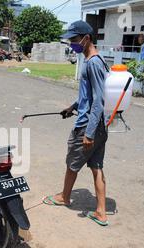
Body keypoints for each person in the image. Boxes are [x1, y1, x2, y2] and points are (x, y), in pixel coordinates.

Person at [42, 20, 110, 226]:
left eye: (74, 39)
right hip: (98, 126)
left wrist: (88, 133)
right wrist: (73, 106)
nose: (72, 44)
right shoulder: (93, 61)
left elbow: (99, 100)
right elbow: (88, 96)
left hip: (88, 127)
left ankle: (64, 197)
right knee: (96, 166)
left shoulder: (94, 63)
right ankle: (101, 212)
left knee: (72, 164)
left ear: (86, 38)